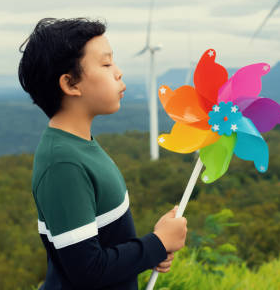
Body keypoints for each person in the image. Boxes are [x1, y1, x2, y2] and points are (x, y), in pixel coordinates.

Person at [18, 18, 187, 289]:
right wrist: (157, 244)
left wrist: (151, 250)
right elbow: (88, 270)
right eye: (106, 64)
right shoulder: (63, 163)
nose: (118, 72)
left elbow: (105, 247)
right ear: (71, 84)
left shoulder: (79, 146)